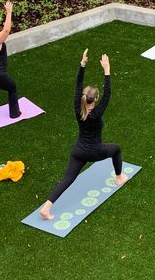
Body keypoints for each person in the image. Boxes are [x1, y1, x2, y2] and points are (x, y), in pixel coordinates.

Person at [39, 50, 127, 220]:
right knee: (116, 149)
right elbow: (108, 95)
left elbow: (78, 85)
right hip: (95, 151)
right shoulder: (96, 114)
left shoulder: (77, 108)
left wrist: (82, 64)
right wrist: (107, 71)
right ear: (95, 100)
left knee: (68, 178)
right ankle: (119, 177)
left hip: (78, 150)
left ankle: (47, 207)